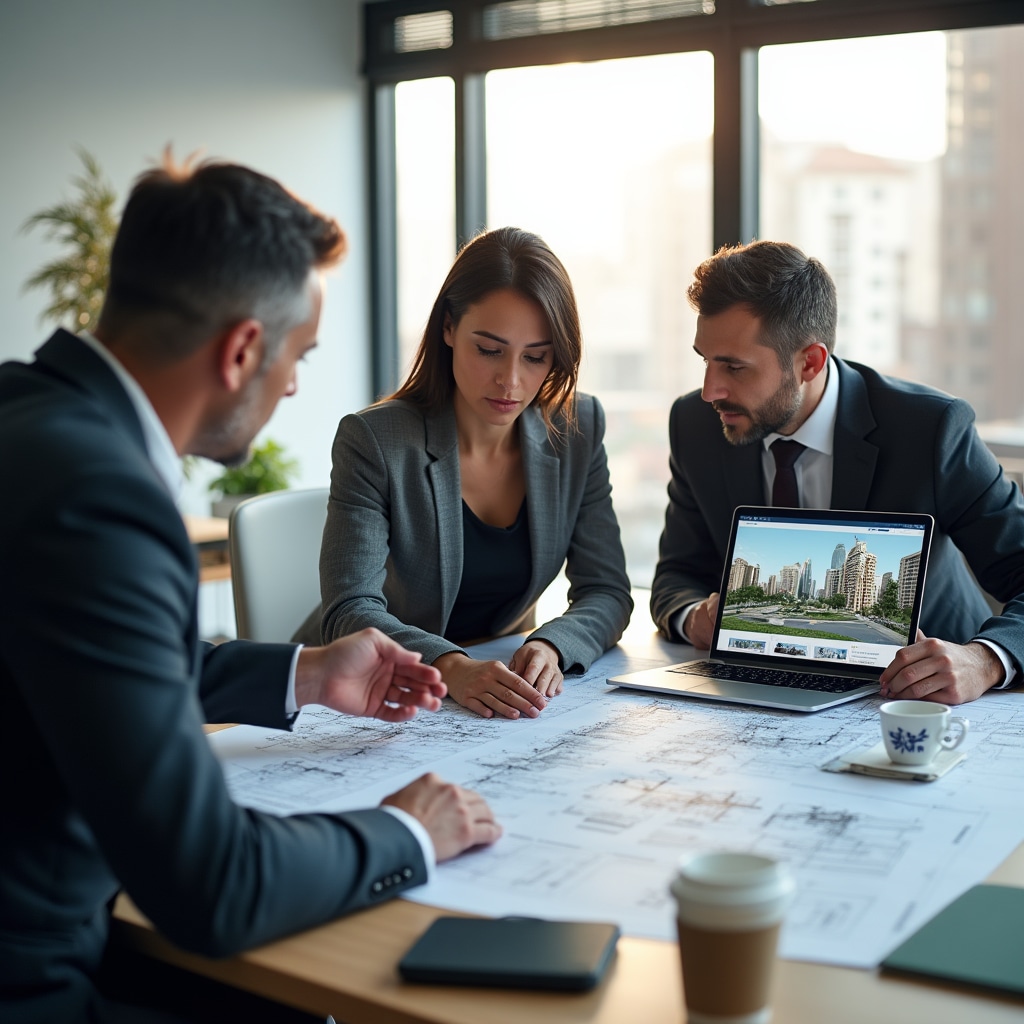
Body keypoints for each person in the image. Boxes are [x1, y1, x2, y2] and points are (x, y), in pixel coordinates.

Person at [0, 155, 501, 1024]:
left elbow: (81, 661)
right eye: (297, 356)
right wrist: (410, 831)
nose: (295, 383)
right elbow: (213, 886)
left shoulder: (24, 414)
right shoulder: (105, 497)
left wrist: (304, 675)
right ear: (240, 351)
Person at [650, 240, 1024, 706]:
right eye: (705, 360)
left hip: (921, 702)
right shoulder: (695, 424)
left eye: (733, 367)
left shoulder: (930, 430)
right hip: (752, 695)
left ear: (810, 361)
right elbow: (675, 574)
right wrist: (693, 616)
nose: (710, 390)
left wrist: (985, 660)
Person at [317, 227, 633, 720]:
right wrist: (453, 667)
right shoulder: (374, 440)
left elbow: (608, 590)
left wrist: (552, 644)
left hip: (496, 691)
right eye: (489, 350)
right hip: (372, 688)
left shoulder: (577, 426)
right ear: (448, 328)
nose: (511, 380)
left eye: (536, 357)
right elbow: (348, 610)